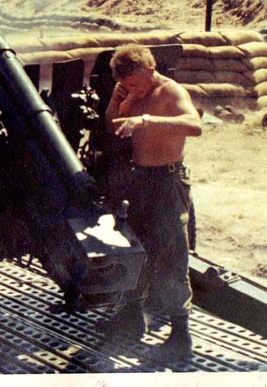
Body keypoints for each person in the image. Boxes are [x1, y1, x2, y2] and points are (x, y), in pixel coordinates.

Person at [102, 44, 202, 360]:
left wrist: (146, 120)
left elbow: (195, 125)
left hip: (168, 183)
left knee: (172, 257)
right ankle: (132, 316)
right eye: (126, 84)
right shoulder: (130, 92)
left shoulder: (170, 92)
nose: (131, 88)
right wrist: (119, 102)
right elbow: (112, 126)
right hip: (141, 180)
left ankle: (180, 336)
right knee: (137, 250)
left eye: (135, 82)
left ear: (150, 68)